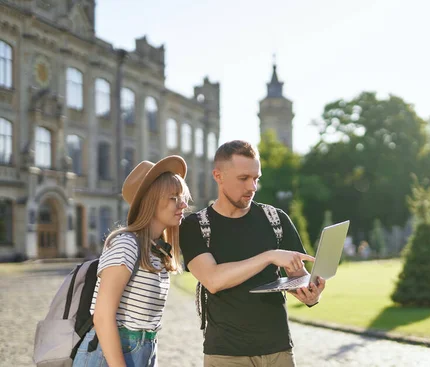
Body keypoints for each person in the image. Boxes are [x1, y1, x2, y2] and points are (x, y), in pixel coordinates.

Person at [180, 140, 323, 367]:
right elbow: (214, 280)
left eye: (256, 178)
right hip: (226, 354)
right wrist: (269, 256)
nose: (252, 187)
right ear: (218, 176)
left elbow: (298, 276)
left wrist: (310, 292)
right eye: (243, 178)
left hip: (279, 351)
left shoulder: (276, 219)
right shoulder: (194, 226)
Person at [73, 156, 190, 367]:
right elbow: (102, 316)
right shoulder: (126, 244)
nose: (183, 204)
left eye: (182, 196)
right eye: (173, 197)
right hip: (111, 354)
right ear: (150, 202)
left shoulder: (157, 252)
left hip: (144, 350)